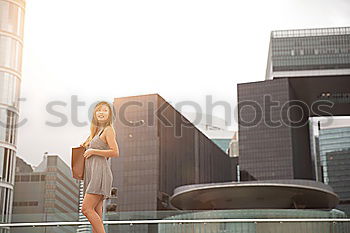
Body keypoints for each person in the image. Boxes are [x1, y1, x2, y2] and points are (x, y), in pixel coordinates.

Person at [80, 101, 120, 233]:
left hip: (100, 173)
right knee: (96, 212)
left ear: (109, 115)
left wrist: (93, 151)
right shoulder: (96, 131)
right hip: (92, 173)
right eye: (98, 110)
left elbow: (115, 152)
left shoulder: (109, 129)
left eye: (105, 110)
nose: (101, 112)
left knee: (86, 209)